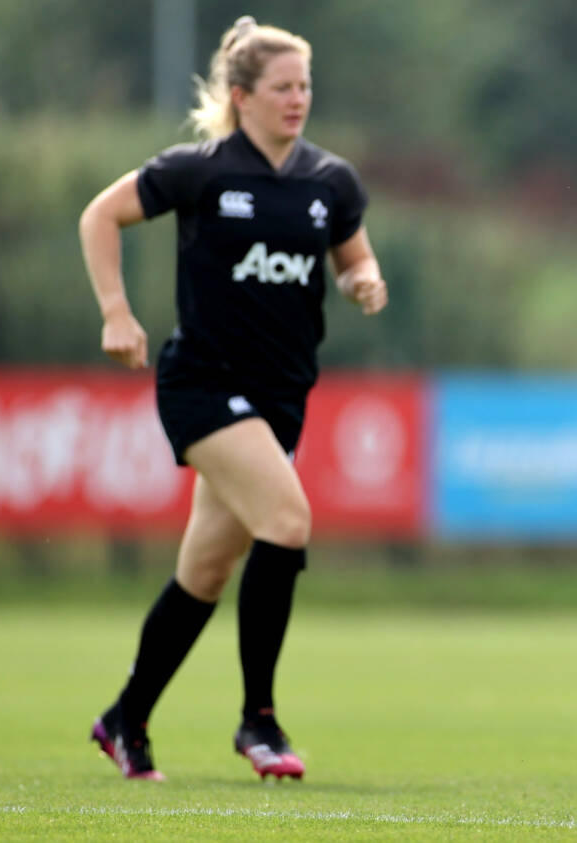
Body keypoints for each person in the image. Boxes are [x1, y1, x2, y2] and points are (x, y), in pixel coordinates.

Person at [78, 16, 388, 781]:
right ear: (241, 96)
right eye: (282, 87)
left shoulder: (331, 181)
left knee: (205, 572)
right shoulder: (200, 170)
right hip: (204, 385)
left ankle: (125, 719)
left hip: (283, 396)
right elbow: (100, 215)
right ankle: (259, 720)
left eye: (304, 85)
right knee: (287, 521)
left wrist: (364, 281)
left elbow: (355, 259)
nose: (297, 98)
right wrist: (116, 311)